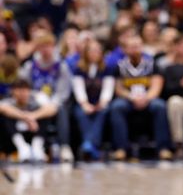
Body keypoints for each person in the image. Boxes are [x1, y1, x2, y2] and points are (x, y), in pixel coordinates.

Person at [109, 34, 171, 160]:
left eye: (137, 46)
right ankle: (121, 148)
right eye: (131, 47)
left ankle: (163, 148)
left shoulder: (152, 64)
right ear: (125, 49)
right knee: (116, 107)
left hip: (148, 98)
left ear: (142, 47)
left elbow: (156, 86)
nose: (135, 50)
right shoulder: (120, 67)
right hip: (128, 99)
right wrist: (131, 97)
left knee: (159, 106)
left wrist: (146, 98)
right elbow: (118, 88)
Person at [17, 31, 73, 162]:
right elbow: (23, 87)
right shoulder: (30, 66)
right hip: (34, 101)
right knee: (32, 107)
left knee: (61, 110)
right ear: (38, 48)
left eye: (48, 46)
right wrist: (35, 97)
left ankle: (64, 146)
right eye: (42, 46)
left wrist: (51, 102)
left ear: (53, 47)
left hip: (54, 103)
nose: (45, 49)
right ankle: (36, 145)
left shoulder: (61, 67)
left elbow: (63, 93)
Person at [72, 39, 114, 161]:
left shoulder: (107, 68)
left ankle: (89, 144)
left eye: (97, 51)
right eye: (92, 51)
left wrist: (102, 102)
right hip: (84, 102)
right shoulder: (78, 68)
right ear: (86, 53)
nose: (95, 53)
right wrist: (85, 104)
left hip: (100, 102)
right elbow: (78, 88)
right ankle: (91, 145)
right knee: (81, 113)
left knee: (102, 112)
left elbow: (108, 88)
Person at [0, 79, 58, 163]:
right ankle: (22, 148)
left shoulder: (37, 97)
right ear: (12, 91)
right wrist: (25, 117)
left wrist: (33, 116)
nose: (22, 94)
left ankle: (37, 147)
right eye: (19, 91)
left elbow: (52, 109)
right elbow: (2, 108)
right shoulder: (8, 99)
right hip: (14, 136)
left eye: (25, 90)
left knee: (44, 116)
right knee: (6, 117)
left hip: (34, 131)